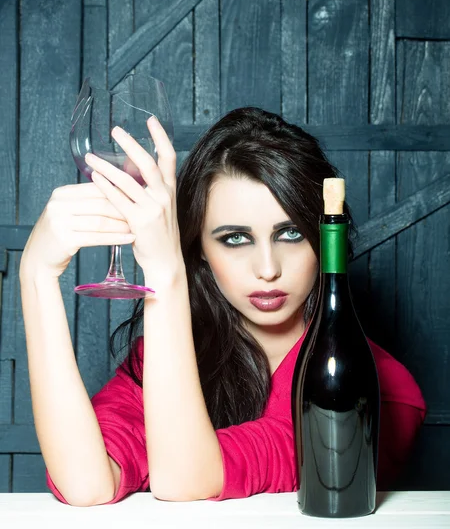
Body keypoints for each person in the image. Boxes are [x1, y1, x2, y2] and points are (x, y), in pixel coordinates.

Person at [20, 107, 426, 507]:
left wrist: (166, 273)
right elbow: (86, 483)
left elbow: (186, 479)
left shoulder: (380, 388)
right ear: (201, 253)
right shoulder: (165, 358)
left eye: (290, 233)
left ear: (323, 239)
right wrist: (36, 276)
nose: (268, 269)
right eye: (235, 238)